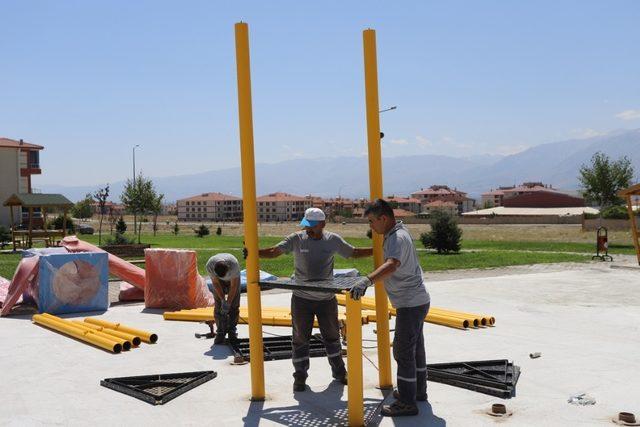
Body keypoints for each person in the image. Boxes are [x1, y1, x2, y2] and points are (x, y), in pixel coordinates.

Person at [256, 207, 372, 392]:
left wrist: (378, 250)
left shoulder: (332, 240)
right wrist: (255, 252)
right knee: (300, 339)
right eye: (306, 225)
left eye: (311, 226)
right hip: (302, 299)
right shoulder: (296, 239)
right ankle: (300, 377)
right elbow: (274, 251)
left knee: (332, 337)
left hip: (326, 299)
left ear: (322, 224)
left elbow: (354, 253)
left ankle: (340, 373)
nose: (307, 229)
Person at [350, 198, 431, 417]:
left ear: (383, 218)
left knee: (403, 351)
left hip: (410, 303)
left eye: (371, 221)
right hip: (417, 301)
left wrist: (367, 280)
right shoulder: (397, 233)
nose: (371, 226)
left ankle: (407, 402)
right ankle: (418, 392)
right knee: (415, 350)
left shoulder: (396, 237)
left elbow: (392, 265)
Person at [205, 253, 241, 345]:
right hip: (218, 281)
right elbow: (216, 284)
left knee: (234, 305)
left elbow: (233, 287)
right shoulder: (210, 265)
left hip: (233, 280)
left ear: (228, 268)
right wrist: (222, 300)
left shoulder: (233, 264)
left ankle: (232, 331)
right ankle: (220, 332)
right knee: (218, 306)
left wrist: (228, 303)